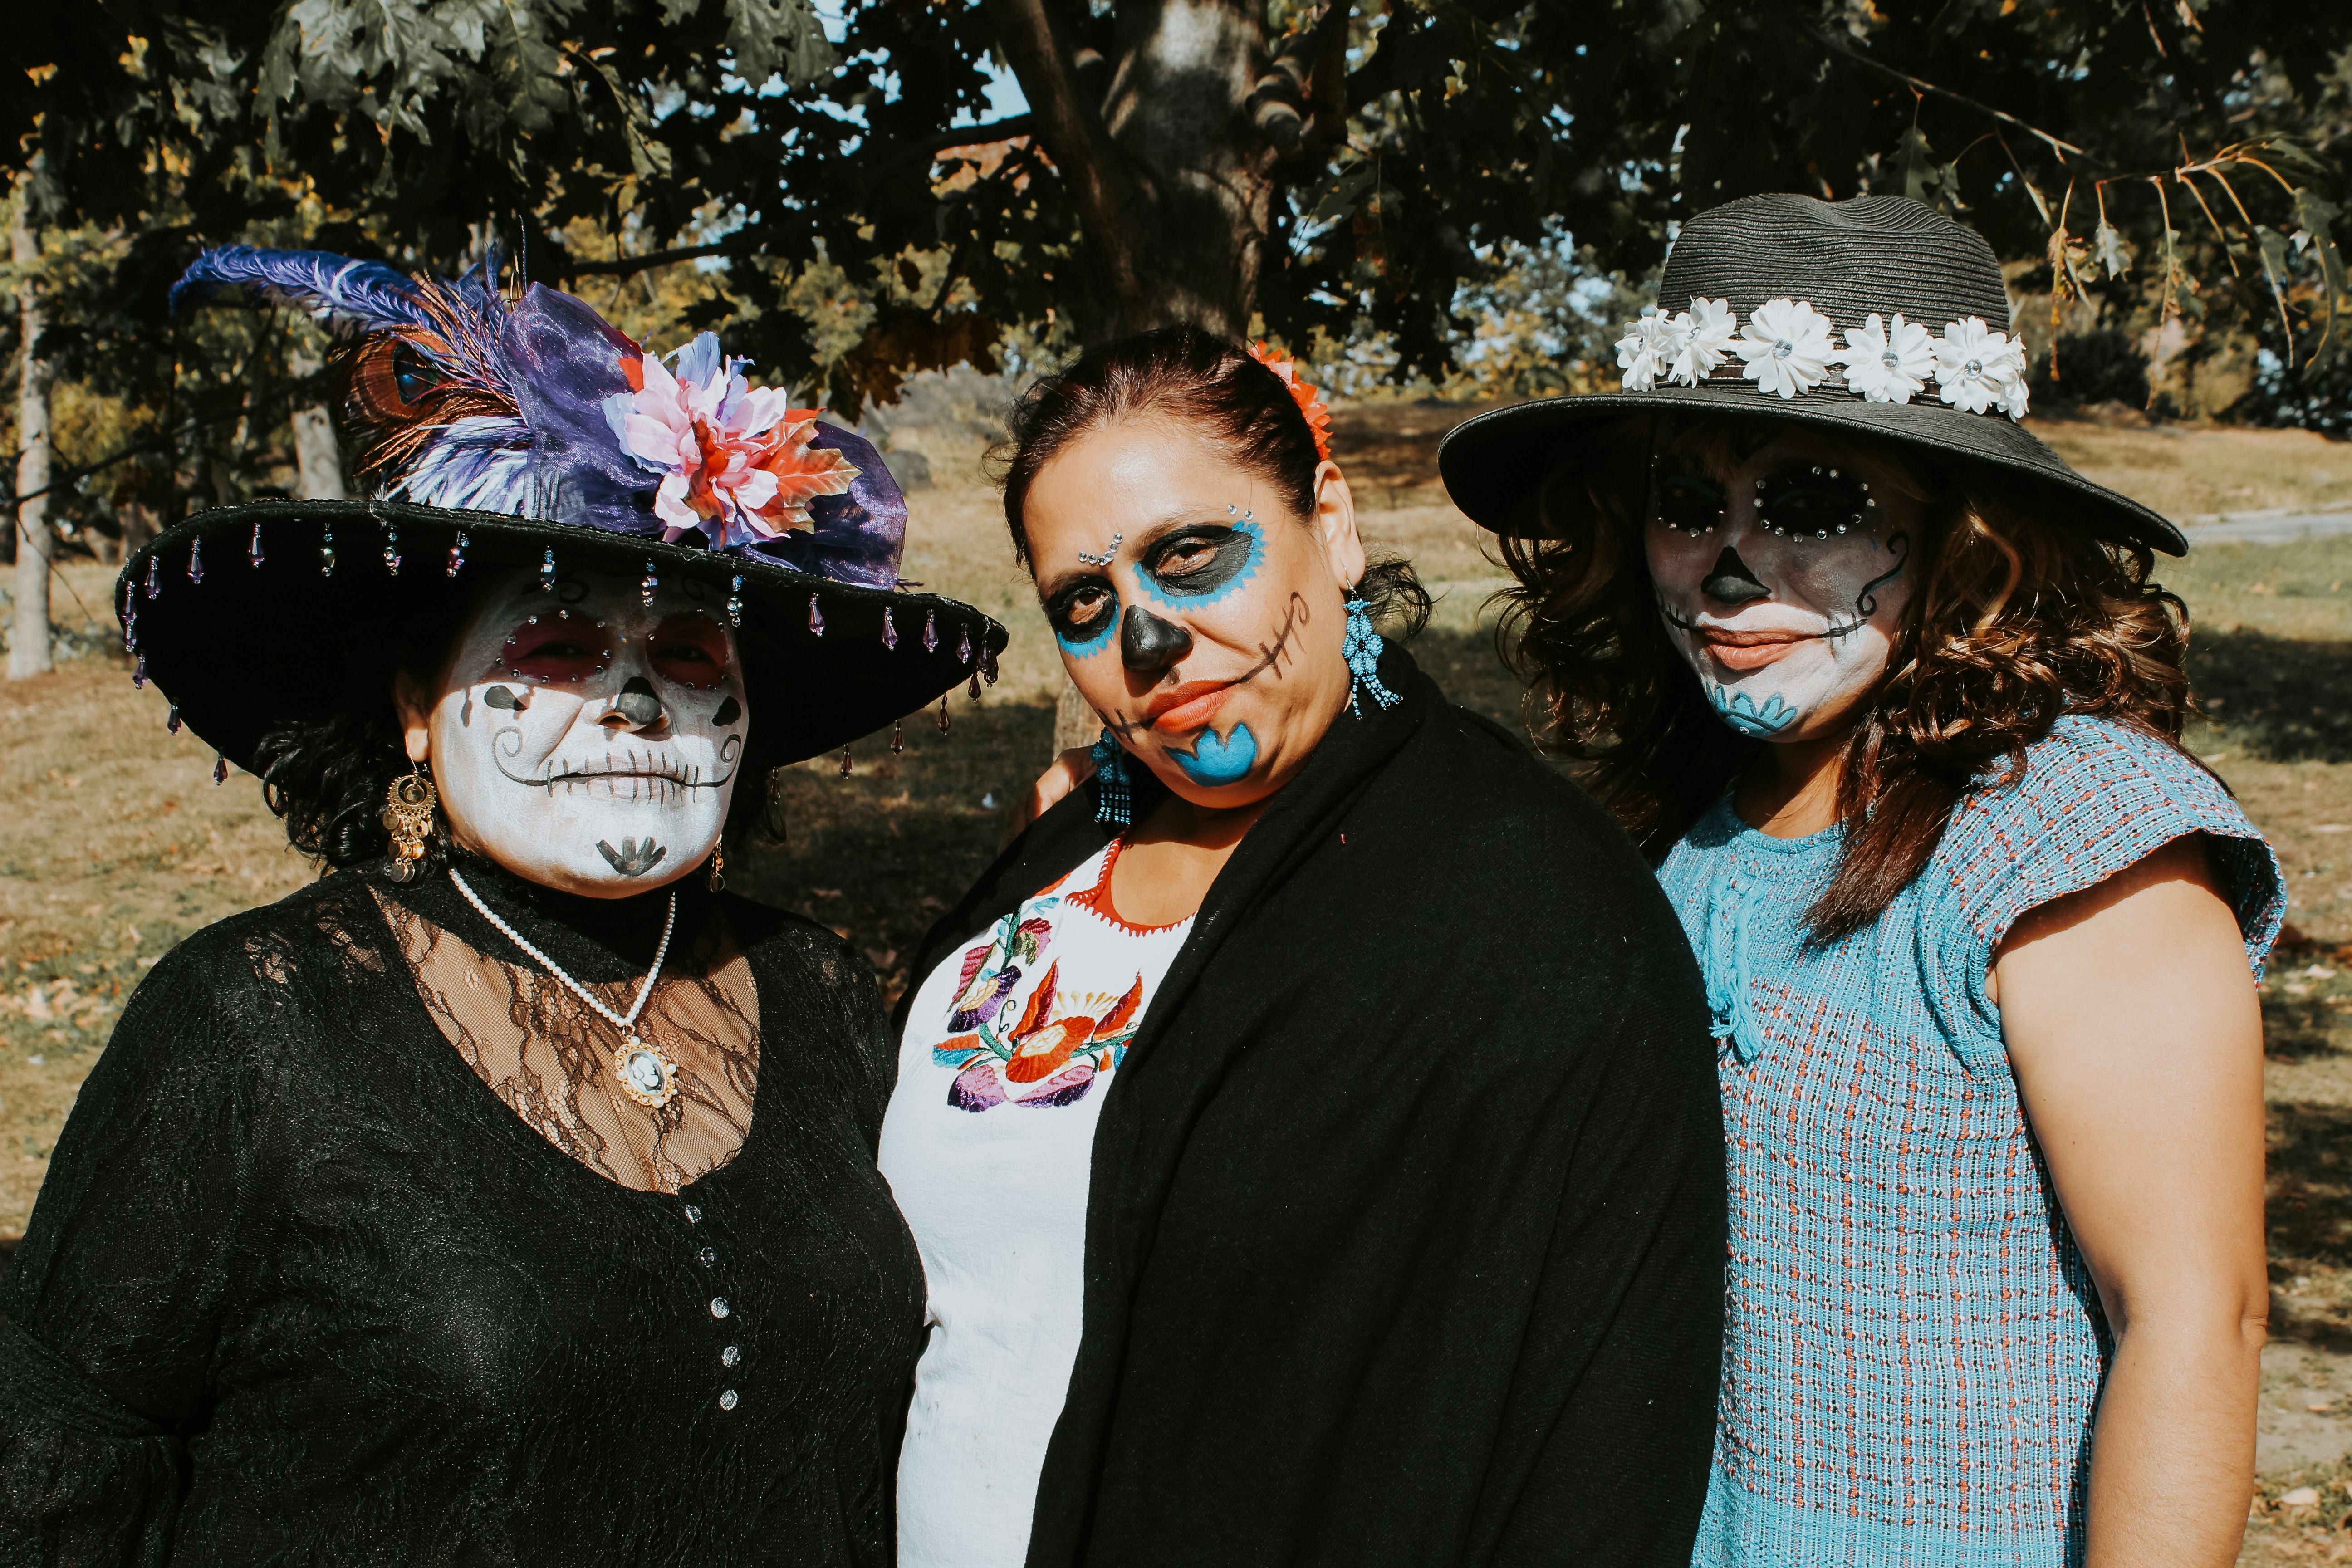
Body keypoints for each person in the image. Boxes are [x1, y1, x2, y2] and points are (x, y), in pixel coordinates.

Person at [0, 245, 1004, 1562]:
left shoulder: (815, 994)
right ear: (417, 711)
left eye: (690, 652)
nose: (636, 703)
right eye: (560, 646)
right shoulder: (251, 1025)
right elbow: (63, 1468)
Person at [1439, 192, 2284, 1568]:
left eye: (1813, 503)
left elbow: (2197, 1321)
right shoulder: (1665, 837)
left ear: (1967, 534)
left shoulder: (2072, 831)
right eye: (1684, 506)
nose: (1729, 567)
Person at [877, 327, 1727, 1568]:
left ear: (1331, 526)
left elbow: (1595, 1448)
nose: (1148, 645)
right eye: (1085, 603)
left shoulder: (1518, 903)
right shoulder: (1055, 861)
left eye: (1193, 555)